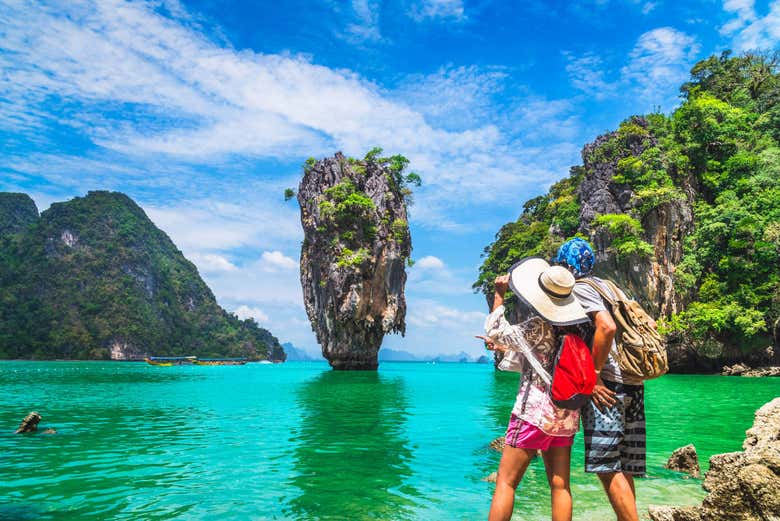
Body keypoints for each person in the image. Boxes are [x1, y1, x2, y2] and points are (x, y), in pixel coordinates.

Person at [478, 257, 590, 521]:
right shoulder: (579, 328)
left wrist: (498, 295)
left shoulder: (538, 326)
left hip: (533, 415)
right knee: (560, 485)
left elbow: (496, 330)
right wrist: (505, 348)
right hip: (566, 414)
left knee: (505, 483)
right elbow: (541, 360)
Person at [554, 238, 646, 521]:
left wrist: (592, 378)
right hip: (633, 382)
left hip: (609, 386)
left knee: (606, 466)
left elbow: (606, 327)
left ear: (565, 266)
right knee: (624, 465)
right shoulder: (608, 286)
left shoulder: (581, 289)